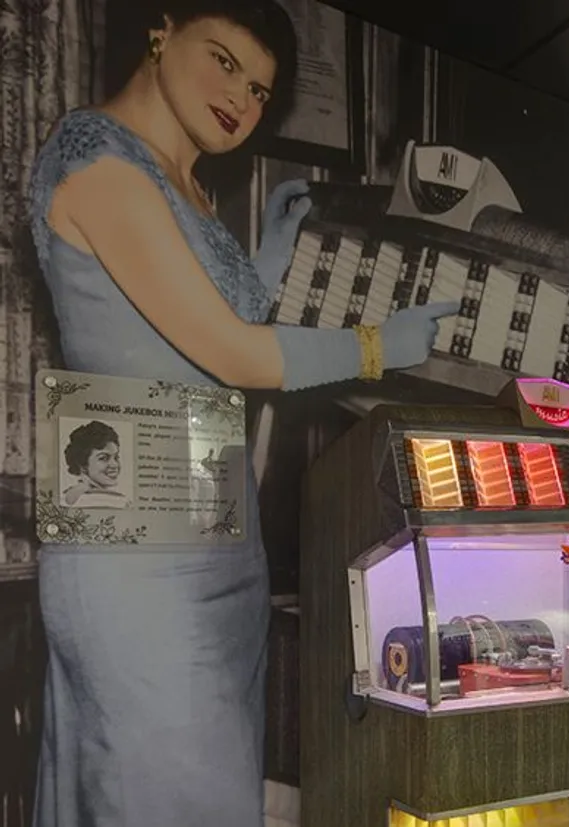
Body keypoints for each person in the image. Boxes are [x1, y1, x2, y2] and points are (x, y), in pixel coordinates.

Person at [27, 1, 459, 825]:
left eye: (260, 89)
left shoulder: (186, 182)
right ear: (162, 29)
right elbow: (232, 353)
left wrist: (258, 261)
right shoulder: (97, 156)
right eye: (222, 60)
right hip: (137, 560)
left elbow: (179, 334)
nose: (241, 99)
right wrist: (377, 346)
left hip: (217, 542)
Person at [61, 420, 128, 508]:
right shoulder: (117, 501)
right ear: (83, 465)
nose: (114, 465)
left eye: (116, 457)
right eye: (103, 458)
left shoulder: (62, 497)